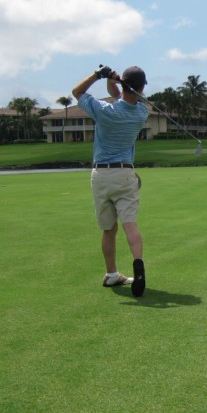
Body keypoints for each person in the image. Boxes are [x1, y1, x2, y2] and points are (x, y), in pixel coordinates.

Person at [72, 65, 149, 296]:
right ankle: (138, 262)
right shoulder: (141, 113)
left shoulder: (103, 110)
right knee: (130, 225)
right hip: (125, 173)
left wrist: (100, 76)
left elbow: (77, 92)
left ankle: (112, 274)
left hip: (101, 175)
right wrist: (117, 82)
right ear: (143, 87)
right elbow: (122, 98)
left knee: (109, 229)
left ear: (123, 84)